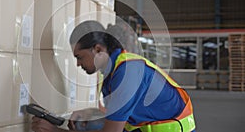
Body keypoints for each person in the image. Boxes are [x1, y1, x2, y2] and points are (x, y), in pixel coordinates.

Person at [31, 20, 196, 132]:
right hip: (146, 126)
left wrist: (54, 130)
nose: (78, 64)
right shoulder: (113, 70)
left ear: (97, 49)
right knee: (89, 124)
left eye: (79, 57)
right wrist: (90, 112)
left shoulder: (127, 74)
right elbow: (115, 113)